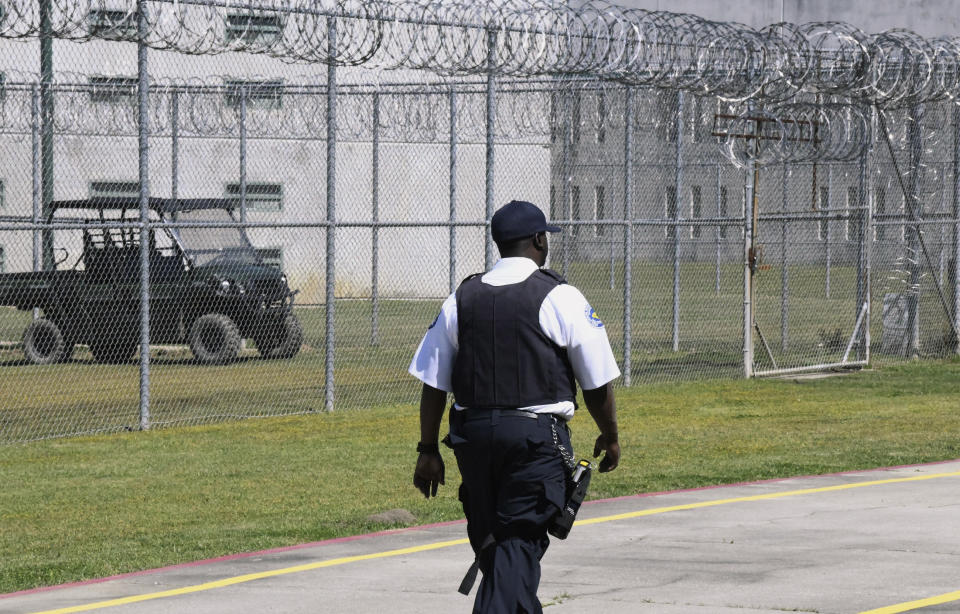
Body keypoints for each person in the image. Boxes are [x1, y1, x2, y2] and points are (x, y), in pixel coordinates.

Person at [408, 199, 621, 614]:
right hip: (533, 442)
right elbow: (597, 383)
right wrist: (610, 435)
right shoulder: (560, 296)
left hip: (472, 441)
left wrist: (428, 449)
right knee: (517, 544)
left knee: (498, 549)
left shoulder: (461, 298)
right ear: (540, 240)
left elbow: (434, 383)